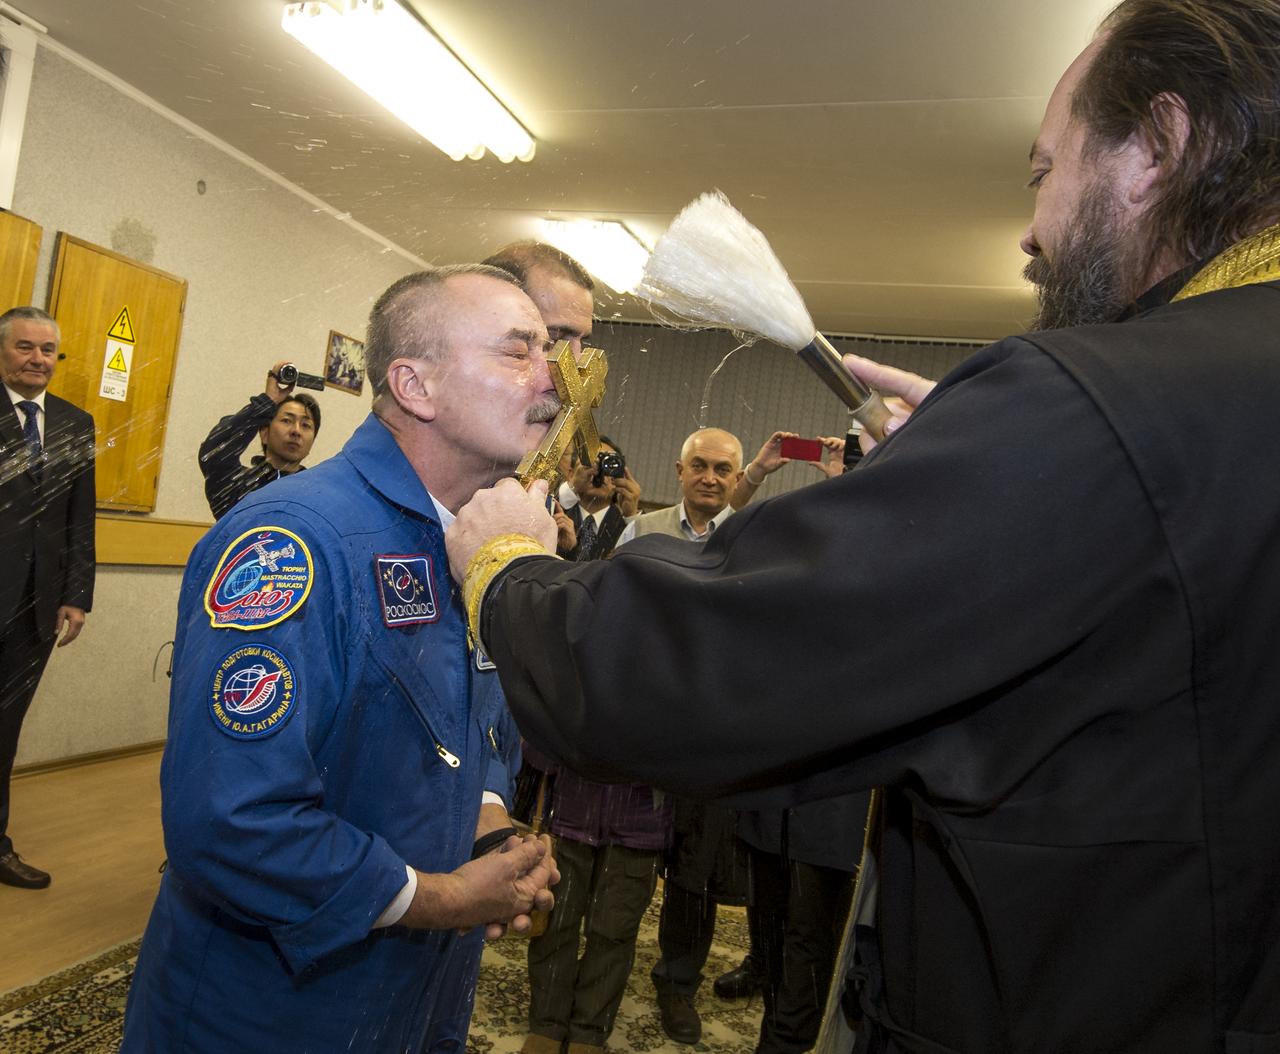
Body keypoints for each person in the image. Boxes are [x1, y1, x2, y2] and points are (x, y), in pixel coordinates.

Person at [445, 1, 1280, 1049]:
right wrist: (993, 469)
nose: (1032, 229)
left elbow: (707, 669)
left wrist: (508, 568)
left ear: (1158, 144)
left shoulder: (1091, 405)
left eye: (1042, 172)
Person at [121, 265, 560, 1053]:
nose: (552, 376)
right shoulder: (294, 539)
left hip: (411, 999)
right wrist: (443, 898)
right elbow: (231, 820)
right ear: (415, 386)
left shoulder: (480, 538)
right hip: (272, 1014)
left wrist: (490, 823)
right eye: (518, 350)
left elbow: (464, 722)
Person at [0, 306, 95, 890]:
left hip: (34, 609)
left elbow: (79, 515)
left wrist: (76, 595)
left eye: (47, 350)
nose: (38, 359)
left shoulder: (73, 423)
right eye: (24, 347)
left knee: (5, 731)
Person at [198, 359, 321, 519]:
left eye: (305, 425)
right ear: (264, 433)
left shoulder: (314, 496)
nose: (296, 431)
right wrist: (266, 403)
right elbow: (213, 454)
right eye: (286, 420)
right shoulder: (238, 486)